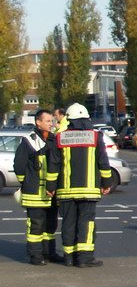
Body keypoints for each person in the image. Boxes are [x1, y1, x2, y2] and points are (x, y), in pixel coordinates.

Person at [46, 103, 114, 267]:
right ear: (87, 119)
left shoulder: (60, 137)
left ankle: (69, 257)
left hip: (66, 191)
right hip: (89, 191)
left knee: (68, 223)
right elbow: (103, 163)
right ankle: (85, 258)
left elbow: (53, 165)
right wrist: (106, 183)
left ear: (69, 119)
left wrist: (50, 187)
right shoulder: (96, 137)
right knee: (86, 223)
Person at [13, 109, 61, 265]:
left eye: (52, 121)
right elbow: (19, 166)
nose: (51, 124)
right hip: (34, 192)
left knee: (51, 225)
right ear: (38, 122)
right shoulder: (29, 141)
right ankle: (35, 256)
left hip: (51, 192)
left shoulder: (54, 140)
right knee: (36, 226)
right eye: (47, 121)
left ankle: (49, 253)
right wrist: (27, 182)